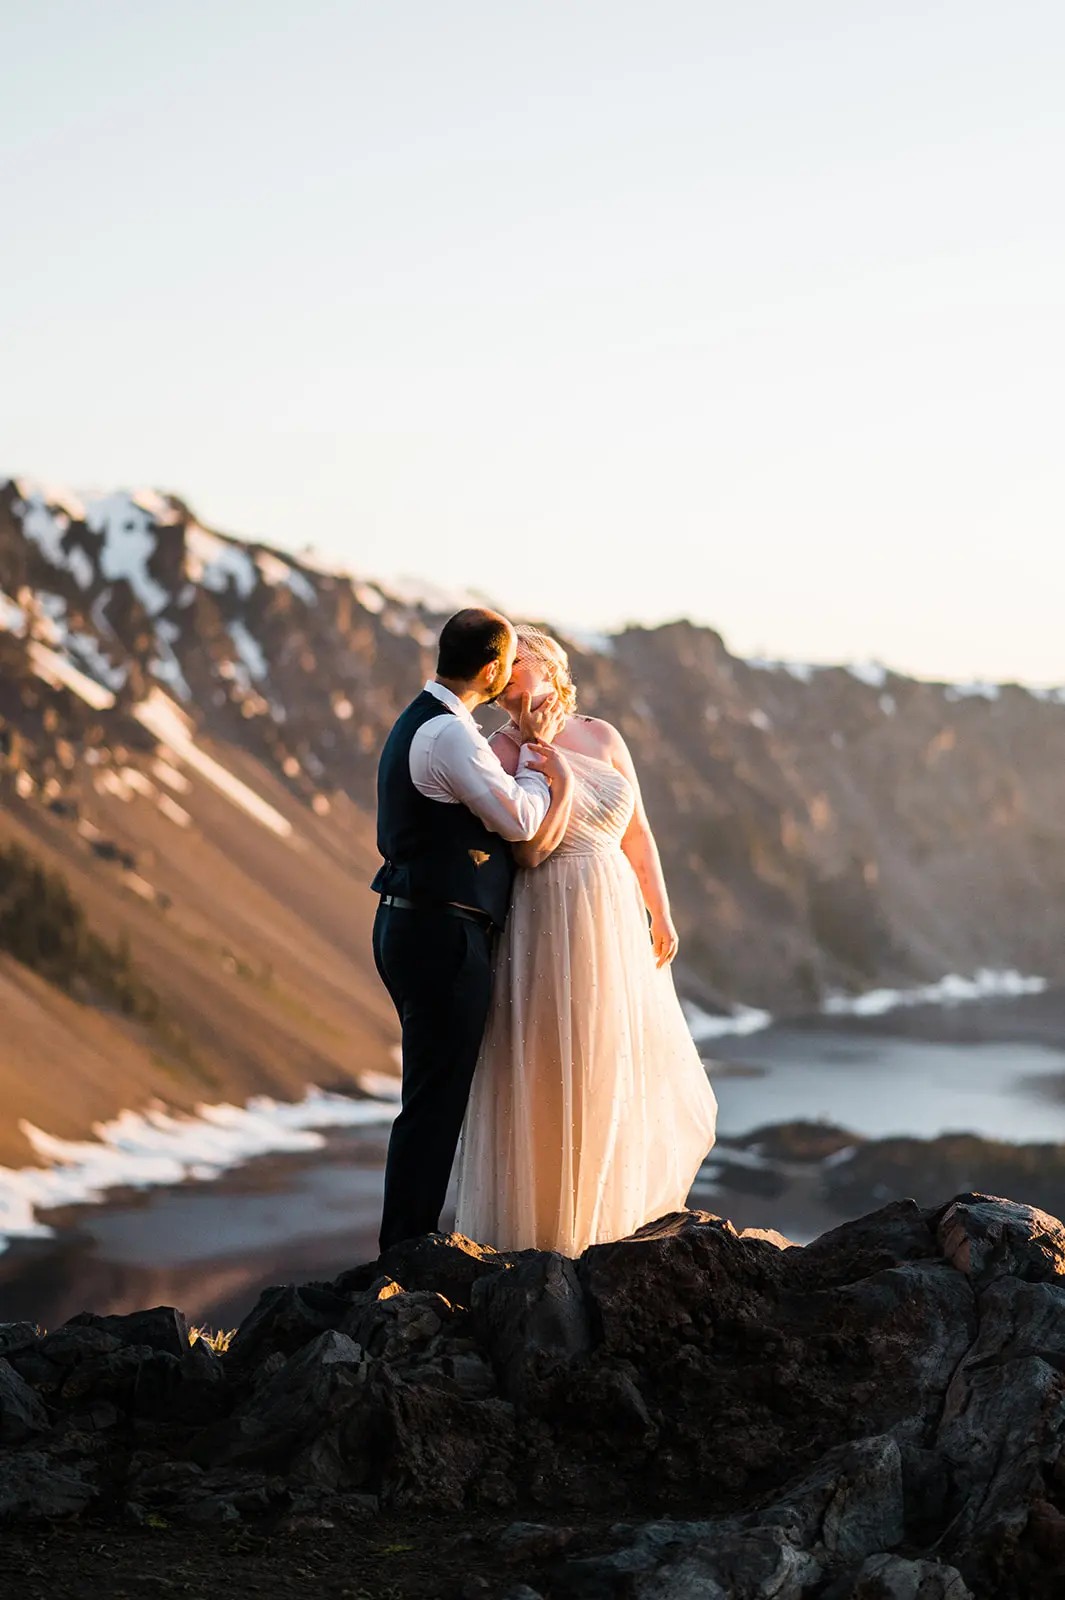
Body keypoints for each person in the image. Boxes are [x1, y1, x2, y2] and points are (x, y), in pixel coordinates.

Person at [455, 625, 719, 1256]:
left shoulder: (603, 736)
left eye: (518, 660)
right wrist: (538, 751)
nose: (507, 671)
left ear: (550, 665)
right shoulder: (494, 748)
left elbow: (638, 833)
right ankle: (544, 1235)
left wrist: (660, 907)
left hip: (614, 914)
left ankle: (605, 1221)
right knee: (549, 1060)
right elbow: (525, 847)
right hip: (547, 910)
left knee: (609, 1055)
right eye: (500, 664)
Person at [371, 607, 569, 1251]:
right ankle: (405, 1251)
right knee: (435, 1101)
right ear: (491, 669)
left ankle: (406, 1242)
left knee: (432, 1095)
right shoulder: (452, 736)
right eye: (508, 664)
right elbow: (518, 820)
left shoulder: (429, 721)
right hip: (439, 936)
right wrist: (540, 766)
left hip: (417, 926)